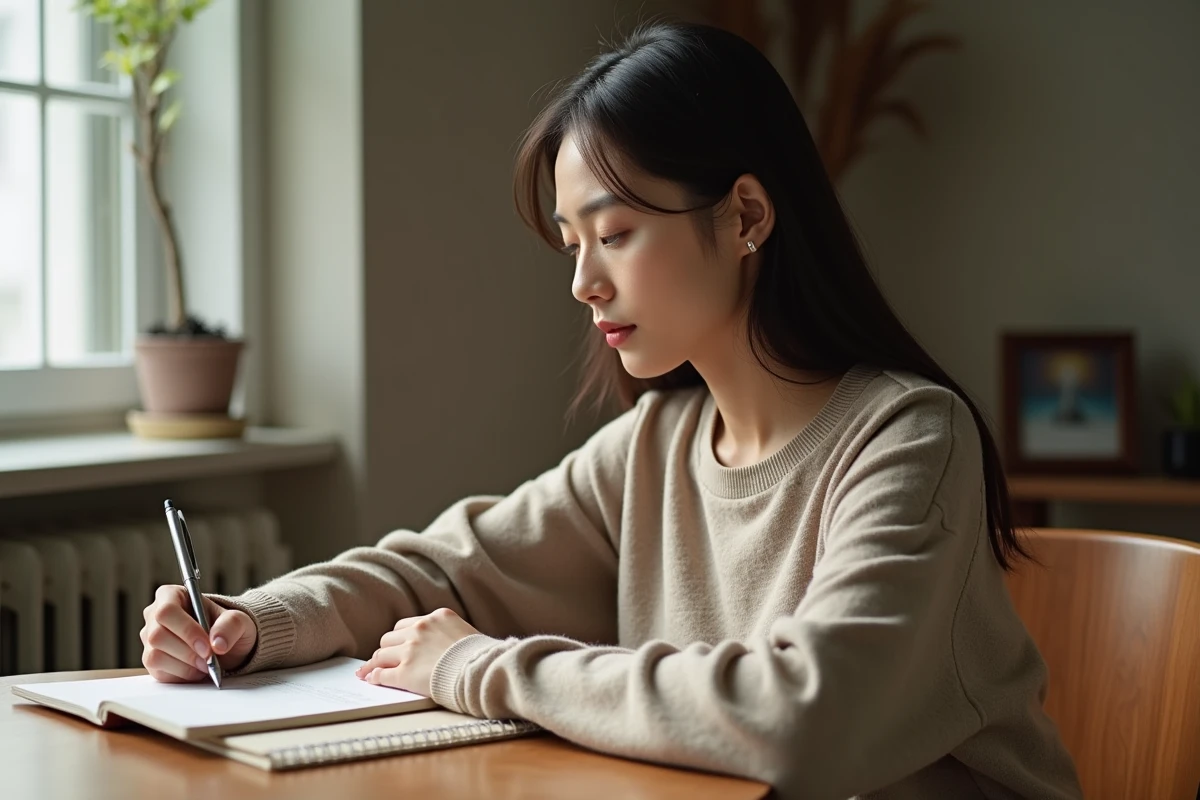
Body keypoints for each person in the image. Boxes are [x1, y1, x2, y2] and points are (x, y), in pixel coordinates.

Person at [139, 20, 1083, 799]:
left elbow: (802, 720)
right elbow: (443, 570)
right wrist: (254, 622)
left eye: (617, 234)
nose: (585, 283)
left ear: (747, 216)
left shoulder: (908, 439)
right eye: (571, 243)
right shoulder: (658, 444)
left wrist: (479, 667)